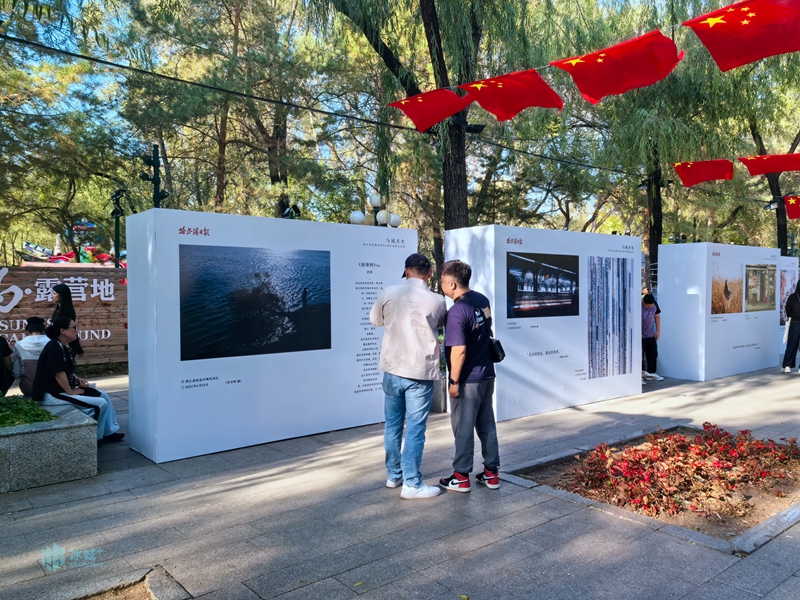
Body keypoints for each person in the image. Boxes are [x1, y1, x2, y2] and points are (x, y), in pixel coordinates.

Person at [370, 253, 447, 500]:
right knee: (415, 428)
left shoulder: (389, 292)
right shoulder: (438, 300)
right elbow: (440, 325)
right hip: (419, 371)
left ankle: (394, 476)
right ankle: (412, 483)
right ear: (430, 273)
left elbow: (375, 321)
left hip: (393, 368)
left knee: (392, 425)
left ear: (406, 271)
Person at [438, 260, 500, 493]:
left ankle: (461, 476)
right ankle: (491, 473)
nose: (441, 285)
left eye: (442, 281)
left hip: (468, 380)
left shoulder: (456, 311)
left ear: (452, 284)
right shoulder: (482, 300)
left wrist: (454, 382)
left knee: (463, 427)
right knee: (487, 425)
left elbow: (459, 350)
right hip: (487, 375)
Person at [31, 316, 123, 443]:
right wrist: (70, 391)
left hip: (60, 390)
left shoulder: (64, 346)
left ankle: (109, 432)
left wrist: (78, 380)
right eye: (74, 327)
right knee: (100, 404)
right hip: (52, 393)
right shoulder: (54, 346)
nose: (76, 330)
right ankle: (95, 438)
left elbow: (66, 371)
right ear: (63, 331)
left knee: (103, 395)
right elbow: (58, 373)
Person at [11, 317, 50, 396]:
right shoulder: (52, 343)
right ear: (44, 331)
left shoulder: (18, 345)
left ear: (26, 332)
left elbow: (16, 373)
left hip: (28, 389)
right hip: (51, 389)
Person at [51, 283, 84, 355]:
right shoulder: (58, 310)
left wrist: (77, 349)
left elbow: (70, 330)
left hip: (65, 345)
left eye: (55, 294)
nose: (52, 296)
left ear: (62, 295)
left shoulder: (67, 311)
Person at [642, 293, 664, 381]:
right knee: (640, 356)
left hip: (650, 334)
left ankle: (652, 373)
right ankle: (642, 375)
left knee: (652, 353)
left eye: (651, 306)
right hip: (639, 335)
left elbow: (657, 316)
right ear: (643, 302)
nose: (649, 308)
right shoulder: (638, 306)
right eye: (647, 306)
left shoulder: (654, 304)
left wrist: (658, 330)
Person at [782, 281, 800, 372]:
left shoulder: (792, 297)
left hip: (795, 322)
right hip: (795, 322)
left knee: (792, 345)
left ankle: (787, 366)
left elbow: (787, 310)